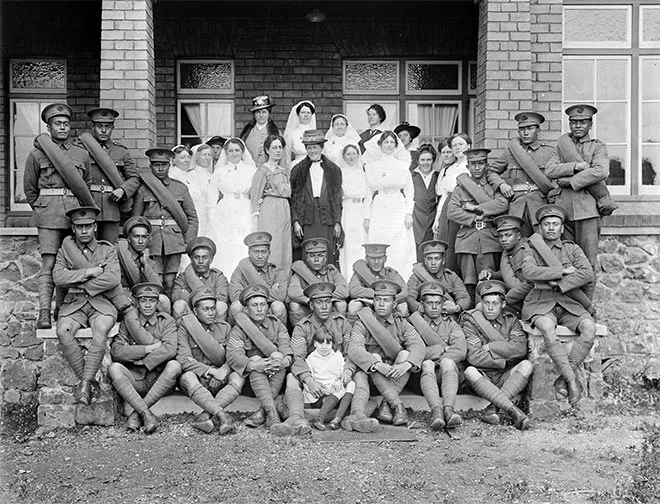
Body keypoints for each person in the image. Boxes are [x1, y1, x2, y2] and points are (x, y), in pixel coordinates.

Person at [23, 102, 93, 329]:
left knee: (69, 262)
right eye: (57, 124)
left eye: (65, 123)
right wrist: (43, 208)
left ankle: (60, 310)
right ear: (49, 127)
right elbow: (30, 188)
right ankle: (44, 311)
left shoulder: (81, 154)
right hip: (48, 214)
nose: (62, 127)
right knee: (49, 262)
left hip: (74, 213)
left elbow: (87, 184)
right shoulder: (37, 154)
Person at [521, 204, 597, 407]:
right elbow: (529, 272)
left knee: (589, 327)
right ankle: (572, 381)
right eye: (547, 224)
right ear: (541, 228)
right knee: (546, 327)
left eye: (555, 224)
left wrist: (558, 284)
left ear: (562, 228)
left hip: (568, 302)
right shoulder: (531, 247)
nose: (551, 228)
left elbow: (587, 273)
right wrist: (562, 272)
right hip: (541, 301)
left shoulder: (572, 248)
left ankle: (563, 378)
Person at [53, 206, 120, 405]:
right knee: (63, 331)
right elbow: (58, 277)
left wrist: (76, 280)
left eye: (88, 226)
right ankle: (88, 382)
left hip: (101, 302)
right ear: (72, 229)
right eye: (79, 227)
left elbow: (112, 279)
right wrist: (88, 272)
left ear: (95, 228)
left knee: (101, 330)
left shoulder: (107, 249)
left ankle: (84, 383)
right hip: (74, 303)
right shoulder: (64, 250)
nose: (84, 231)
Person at [545, 104, 616, 289]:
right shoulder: (561, 146)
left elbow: (601, 171)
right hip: (564, 210)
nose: (577, 126)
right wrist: (576, 167)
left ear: (590, 125)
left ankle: (586, 308)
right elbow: (550, 170)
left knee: (587, 261)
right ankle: (569, 306)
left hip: (587, 210)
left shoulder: (597, 147)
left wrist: (570, 181)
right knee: (564, 259)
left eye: (582, 122)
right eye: (574, 122)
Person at [284, 282, 363, 433]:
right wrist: (309, 380)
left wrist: (347, 371)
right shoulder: (302, 327)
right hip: (314, 379)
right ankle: (295, 418)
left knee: (359, 376)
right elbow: (297, 358)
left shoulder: (342, 323)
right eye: (319, 303)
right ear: (311, 306)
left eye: (327, 302)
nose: (325, 306)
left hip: (336, 378)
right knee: (291, 378)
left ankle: (356, 415)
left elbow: (351, 352)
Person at [348, 280, 426, 427]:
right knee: (374, 357)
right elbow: (354, 349)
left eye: (386, 300)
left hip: (395, 377)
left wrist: (407, 365)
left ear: (394, 304)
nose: (381, 304)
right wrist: (377, 365)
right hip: (371, 377)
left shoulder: (401, 323)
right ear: (374, 302)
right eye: (378, 300)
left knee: (404, 355)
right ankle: (397, 406)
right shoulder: (363, 322)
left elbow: (419, 345)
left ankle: (386, 404)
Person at [108, 282, 181, 434]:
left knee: (174, 365)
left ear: (157, 303)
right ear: (137, 303)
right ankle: (146, 414)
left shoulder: (166, 321)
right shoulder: (128, 323)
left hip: (159, 379)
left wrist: (144, 360)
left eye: (152, 301)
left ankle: (137, 413)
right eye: (143, 301)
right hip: (136, 379)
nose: (147, 305)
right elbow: (117, 351)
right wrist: (147, 349)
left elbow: (170, 349)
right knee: (114, 368)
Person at [463, 280, 531, 430]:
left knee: (527, 365)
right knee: (469, 371)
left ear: (503, 304)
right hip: (483, 377)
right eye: (486, 303)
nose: (490, 308)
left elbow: (520, 349)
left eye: (495, 303)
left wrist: (491, 347)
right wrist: (504, 359)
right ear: (481, 303)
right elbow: (474, 357)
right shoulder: (472, 322)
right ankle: (513, 411)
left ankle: (494, 407)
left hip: (504, 376)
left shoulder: (511, 321)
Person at [131, 147, 198, 298]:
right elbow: (136, 219)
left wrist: (188, 242)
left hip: (174, 241)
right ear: (150, 166)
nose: (160, 168)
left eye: (164, 164)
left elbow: (192, 217)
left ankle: (171, 310)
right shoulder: (143, 190)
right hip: (152, 241)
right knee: (155, 278)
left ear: (170, 165)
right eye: (156, 164)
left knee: (170, 280)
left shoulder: (180, 188)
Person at [226, 283, 293, 431]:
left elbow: (286, 350)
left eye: (262, 304)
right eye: (254, 305)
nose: (259, 309)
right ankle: (272, 412)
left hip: (275, 377)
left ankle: (266, 412)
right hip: (252, 383)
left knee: (278, 357)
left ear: (267, 307)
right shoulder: (239, 329)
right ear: (246, 309)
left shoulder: (277, 325)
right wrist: (253, 365)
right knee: (255, 361)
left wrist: (283, 361)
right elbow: (233, 355)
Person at [177, 286, 243, 435]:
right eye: (205, 309)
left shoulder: (225, 328)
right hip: (199, 379)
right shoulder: (186, 327)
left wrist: (223, 372)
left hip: (221, 379)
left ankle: (206, 415)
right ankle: (222, 415)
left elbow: (233, 355)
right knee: (187, 377)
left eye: (213, 309)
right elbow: (183, 358)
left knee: (239, 376)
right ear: (195, 311)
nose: (211, 313)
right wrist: (212, 371)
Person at [447, 148, 509, 302]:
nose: (476, 168)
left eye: (480, 164)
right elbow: (452, 212)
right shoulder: (460, 188)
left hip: (489, 239)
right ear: (467, 167)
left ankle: (487, 314)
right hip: (467, 239)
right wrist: (474, 218)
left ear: (486, 165)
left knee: (488, 280)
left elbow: (502, 204)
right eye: (473, 164)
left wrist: (476, 208)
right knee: (468, 281)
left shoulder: (494, 187)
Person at [486, 112, 556, 237]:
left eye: (530, 128)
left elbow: (558, 176)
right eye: (522, 129)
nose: (525, 133)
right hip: (517, 206)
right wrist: (501, 184)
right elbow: (491, 171)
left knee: (542, 244)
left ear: (538, 131)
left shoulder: (549, 152)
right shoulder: (510, 153)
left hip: (540, 204)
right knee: (518, 245)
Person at [409, 281, 466, 430]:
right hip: (422, 378)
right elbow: (413, 353)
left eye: (437, 303)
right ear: (422, 304)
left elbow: (460, 350)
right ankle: (436, 411)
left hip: (447, 377)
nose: (434, 307)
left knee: (447, 362)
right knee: (427, 364)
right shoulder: (414, 323)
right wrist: (441, 348)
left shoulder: (451, 323)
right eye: (429, 303)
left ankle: (448, 410)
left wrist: (433, 357)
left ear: (443, 304)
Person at [77, 107, 140, 242]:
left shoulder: (121, 151)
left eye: (108, 126)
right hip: (88, 205)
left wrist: (123, 190)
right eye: (100, 126)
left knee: (110, 249)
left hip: (112, 207)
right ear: (92, 126)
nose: (104, 130)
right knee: (87, 248)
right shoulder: (81, 150)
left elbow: (134, 178)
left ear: (113, 127)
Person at [363, 131, 415, 280]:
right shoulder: (372, 167)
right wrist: (367, 217)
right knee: (380, 241)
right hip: (379, 207)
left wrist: (408, 213)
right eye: (386, 142)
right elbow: (367, 195)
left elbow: (410, 192)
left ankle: (401, 279)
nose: (389, 145)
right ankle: (379, 279)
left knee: (399, 244)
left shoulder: (403, 166)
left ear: (396, 145)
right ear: (380, 145)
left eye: (392, 142)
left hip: (397, 206)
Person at [290, 129, 343, 266]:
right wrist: (296, 221)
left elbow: (337, 198)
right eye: (309, 148)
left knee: (327, 251)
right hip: (307, 219)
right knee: (309, 251)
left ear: (321, 147)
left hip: (327, 219)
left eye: (315, 147)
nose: (312, 151)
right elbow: (295, 199)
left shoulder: (333, 170)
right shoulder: (298, 170)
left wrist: (337, 222)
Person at [207, 137, 257, 276]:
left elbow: (256, 195)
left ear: (242, 152)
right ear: (226, 153)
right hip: (225, 210)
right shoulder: (219, 172)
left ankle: (243, 276)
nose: (234, 153)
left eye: (237, 150)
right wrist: (213, 218)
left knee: (242, 241)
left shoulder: (251, 171)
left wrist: (255, 215)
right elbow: (211, 199)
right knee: (225, 244)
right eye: (231, 151)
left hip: (244, 208)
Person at [251, 134, 292, 275]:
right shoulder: (262, 170)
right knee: (273, 243)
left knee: (285, 245)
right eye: (274, 147)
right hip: (269, 208)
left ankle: (283, 281)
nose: (278, 150)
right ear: (267, 150)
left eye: (280, 147)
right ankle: (269, 278)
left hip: (284, 208)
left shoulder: (284, 171)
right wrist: (255, 215)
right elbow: (256, 195)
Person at [479, 215, 533, 318]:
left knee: (484, 307)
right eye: (500, 236)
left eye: (508, 235)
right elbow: (506, 272)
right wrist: (491, 274)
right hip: (517, 299)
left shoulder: (527, 251)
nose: (503, 239)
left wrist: (505, 299)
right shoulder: (508, 252)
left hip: (529, 300)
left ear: (518, 235)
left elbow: (530, 284)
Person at [432, 133, 472, 274]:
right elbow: (444, 194)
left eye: (460, 144)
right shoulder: (451, 168)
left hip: (462, 205)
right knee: (445, 243)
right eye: (454, 145)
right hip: (447, 206)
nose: (457, 147)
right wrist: (437, 218)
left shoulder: (471, 165)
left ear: (468, 145)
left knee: (458, 245)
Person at [228, 231, 288, 324]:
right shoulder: (240, 270)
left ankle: (278, 336)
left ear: (269, 253)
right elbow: (235, 296)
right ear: (249, 253)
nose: (260, 256)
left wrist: (247, 292)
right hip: (248, 309)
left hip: (268, 309)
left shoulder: (276, 270)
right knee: (236, 306)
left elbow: (281, 295)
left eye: (263, 252)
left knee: (278, 306)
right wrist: (269, 291)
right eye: (256, 252)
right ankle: (239, 336)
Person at [287, 238, 349, 326]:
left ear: (326, 257)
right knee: (294, 305)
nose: (316, 259)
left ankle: (338, 333)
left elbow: (344, 290)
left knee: (341, 304)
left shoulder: (331, 272)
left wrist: (323, 298)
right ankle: (300, 334)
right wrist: (311, 300)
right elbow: (292, 291)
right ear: (307, 258)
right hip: (309, 309)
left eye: (320, 255)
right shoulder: (301, 273)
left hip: (328, 309)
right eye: (312, 256)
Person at [304, 327, 356, 431]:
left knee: (351, 384)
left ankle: (336, 419)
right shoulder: (311, 359)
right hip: (319, 394)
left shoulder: (337, 356)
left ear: (332, 344)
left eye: (327, 343)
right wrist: (323, 390)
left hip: (334, 390)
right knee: (338, 392)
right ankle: (319, 419)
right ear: (314, 344)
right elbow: (308, 380)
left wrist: (339, 382)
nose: (324, 347)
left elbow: (341, 373)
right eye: (320, 343)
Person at [116, 216, 170, 313]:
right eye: (136, 237)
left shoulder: (150, 260)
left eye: (144, 237)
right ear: (128, 239)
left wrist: (146, 265)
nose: (140, 241)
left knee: (163, 300)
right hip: (123, 299)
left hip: (142, 299)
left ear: (148, 239)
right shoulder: (117, 256)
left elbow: (158, 287)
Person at [406, 239, 471, 317]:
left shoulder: (451, 276)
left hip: (447, 316)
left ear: (443, 260)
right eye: (430, 259)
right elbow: (409, 298)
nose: (433, 263)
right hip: (424, 317)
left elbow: (464, 297)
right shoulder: (416, 277)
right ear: (425, 261)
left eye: (437, 259)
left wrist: (455, 308)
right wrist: (421, 308)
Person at [171, 236, 229, 322]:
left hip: (211, 314)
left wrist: (190, 295)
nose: (200, 261)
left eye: (204, 257)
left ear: (211, 259)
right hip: (191, 313)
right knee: (179, 305)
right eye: (197, 257)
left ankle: (217, 333)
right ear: (191, 259)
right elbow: (175, 296)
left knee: (221, 306)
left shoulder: (217, 276)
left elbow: (222, 298)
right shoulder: (183, 277)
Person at [348, 243, 409, 320]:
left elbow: (405, 291)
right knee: (354, 306)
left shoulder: (391, 273)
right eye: (372, 258)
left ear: (385, 259)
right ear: (366, 259)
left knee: (402, 306)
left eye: (379, 258)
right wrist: (375, 297)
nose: (376, 262)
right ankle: (355, 330)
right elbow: (353, 291)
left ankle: (401, 330)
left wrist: (386, 297)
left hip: (387, 304)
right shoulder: (359, 273)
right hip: (367, 304)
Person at [338, 144, 369, 277]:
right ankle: (347, 277)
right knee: (348, 245)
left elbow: (368, 197)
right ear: (343, 156)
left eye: (354, 153)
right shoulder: (340, 173)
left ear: (358, 155)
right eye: (348, 154)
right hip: (347, 210)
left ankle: (361, 277)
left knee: (361, 243)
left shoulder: (364, 174)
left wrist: (367, 217)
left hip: (360, 211)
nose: (351, 157)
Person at [410, 143, 440, 262]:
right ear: (418, 161)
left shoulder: (438, 176)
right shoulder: (411, 176)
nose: (426, 163)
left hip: (432, 221)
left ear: (433, 160)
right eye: (422, 160)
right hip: (415, 219)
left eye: (429, 159)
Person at [240, 95, 280, 167]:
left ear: (269, 113)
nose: (261, 115)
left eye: (264, 112)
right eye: (258, 112)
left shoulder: (276, 132)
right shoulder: (247, 133)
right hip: (249, 170)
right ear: (254, 114)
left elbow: (282, 156)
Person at [188, 143, 215, 235]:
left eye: (209, 155)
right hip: (197, 211)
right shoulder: (190, 176)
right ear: (197, 157)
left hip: (209, 212)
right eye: (204, 155)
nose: (207, 158)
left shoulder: (212, 176)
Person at [284, 100, 317, 167]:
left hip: (314, 165)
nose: (306, 115)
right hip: (297, 165)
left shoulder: (316, 133)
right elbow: (287, 155)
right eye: (303, 112)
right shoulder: (292, 134)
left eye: (308, 112)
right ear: (298, 115)